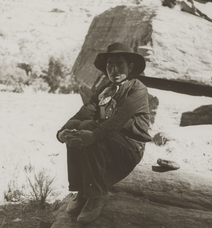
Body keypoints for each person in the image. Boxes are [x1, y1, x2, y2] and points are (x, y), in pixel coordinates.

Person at [55, 42, 153, 224]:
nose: (114, 70)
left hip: (130, 147)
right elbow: (86, 111)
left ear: (130, 67)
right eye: (110, 65)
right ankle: (83, 191)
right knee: (79, 125)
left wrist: (92, 134)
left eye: (120, 65)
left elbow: (119, 120)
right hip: (109, 141)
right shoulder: (104, 89)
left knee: (91, 129)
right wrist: (63, 131)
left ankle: (97, 195)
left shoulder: (137, 88)